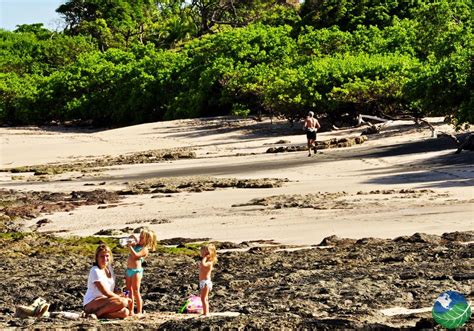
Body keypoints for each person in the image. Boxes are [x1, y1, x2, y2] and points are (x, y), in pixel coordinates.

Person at [83, 244, 131, 319]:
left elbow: (111, 289)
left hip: (107, 301)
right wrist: (120, 298)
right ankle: (96, 314)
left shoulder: (109, 269)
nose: (105, 258)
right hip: (93, 301)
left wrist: (121, 294)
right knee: (123, 302)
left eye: (107, 256)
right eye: (102, 256)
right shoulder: (95, 270)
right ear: (97, 258)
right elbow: (105, 292)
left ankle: (97, 315)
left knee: (125, 312)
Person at [125, 229, 157, 316]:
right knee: (128, 291)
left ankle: (139, 311)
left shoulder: (144, 249)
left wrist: (130, 247)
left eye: (142, 238)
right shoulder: (136, 245)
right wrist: (133, 238)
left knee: (136, 291)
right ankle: (130, 310)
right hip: (129, 270)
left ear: (147, 240)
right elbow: (132, 237)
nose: (140, 238)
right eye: (140, 237)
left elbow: (135, 256)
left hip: (136, 271)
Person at [199, 243, 217, 317]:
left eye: (206, 253)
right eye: (203, 252)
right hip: (203, 282)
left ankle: (206, 313)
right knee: (203, 298)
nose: (204, 254)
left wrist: (205, 258)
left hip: (206, 282)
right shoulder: (206, 262)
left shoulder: (209, 262)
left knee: (204, 298)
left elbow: (203, 265)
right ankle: (205, 312)